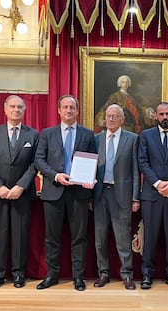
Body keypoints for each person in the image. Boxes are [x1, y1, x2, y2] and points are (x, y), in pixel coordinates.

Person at [34, 94, 96, 291]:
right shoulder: (47, 133)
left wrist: (91, 177)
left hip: (79, 193)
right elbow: (39, 160)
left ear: (77, 111)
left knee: (79, 237)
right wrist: (56, 175)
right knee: (52, 236)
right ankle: (52, 275)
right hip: (54, 191)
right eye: (65, 107)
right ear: (59, 111)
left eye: (72, 107)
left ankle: (78, 276)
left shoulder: (87, 134)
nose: (69, 110)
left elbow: (93, 158)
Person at [0, 95, 39, 290]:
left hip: (22, 193)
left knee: (20, 234)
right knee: (0, 234)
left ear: (24, 111)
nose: (16, 110)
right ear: (5, 109)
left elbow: (34, 164)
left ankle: (18, 273)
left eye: (20, 107)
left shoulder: (33, 135)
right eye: (12, 106)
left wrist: (20, 186)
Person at [138, 102, 168, 290]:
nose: (165, 117)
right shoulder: (146, 136)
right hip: (152, 194)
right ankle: (147, 275)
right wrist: (158, 184)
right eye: (161, 114)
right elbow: (142, 162)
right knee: (149, 236)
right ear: (156, 116)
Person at [93, 104, 140, 290]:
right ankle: (103, 273)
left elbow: (136, 171)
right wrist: (89, 195)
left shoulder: (132, 139)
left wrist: (135, 198)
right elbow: (90, 168)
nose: (111, 119)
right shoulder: (96, 139)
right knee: (100, 238)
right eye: (108, 116)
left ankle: (127, 274)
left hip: (122, 195)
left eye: (115, 116)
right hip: (99, 194)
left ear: (122, 119)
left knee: (123, 238)